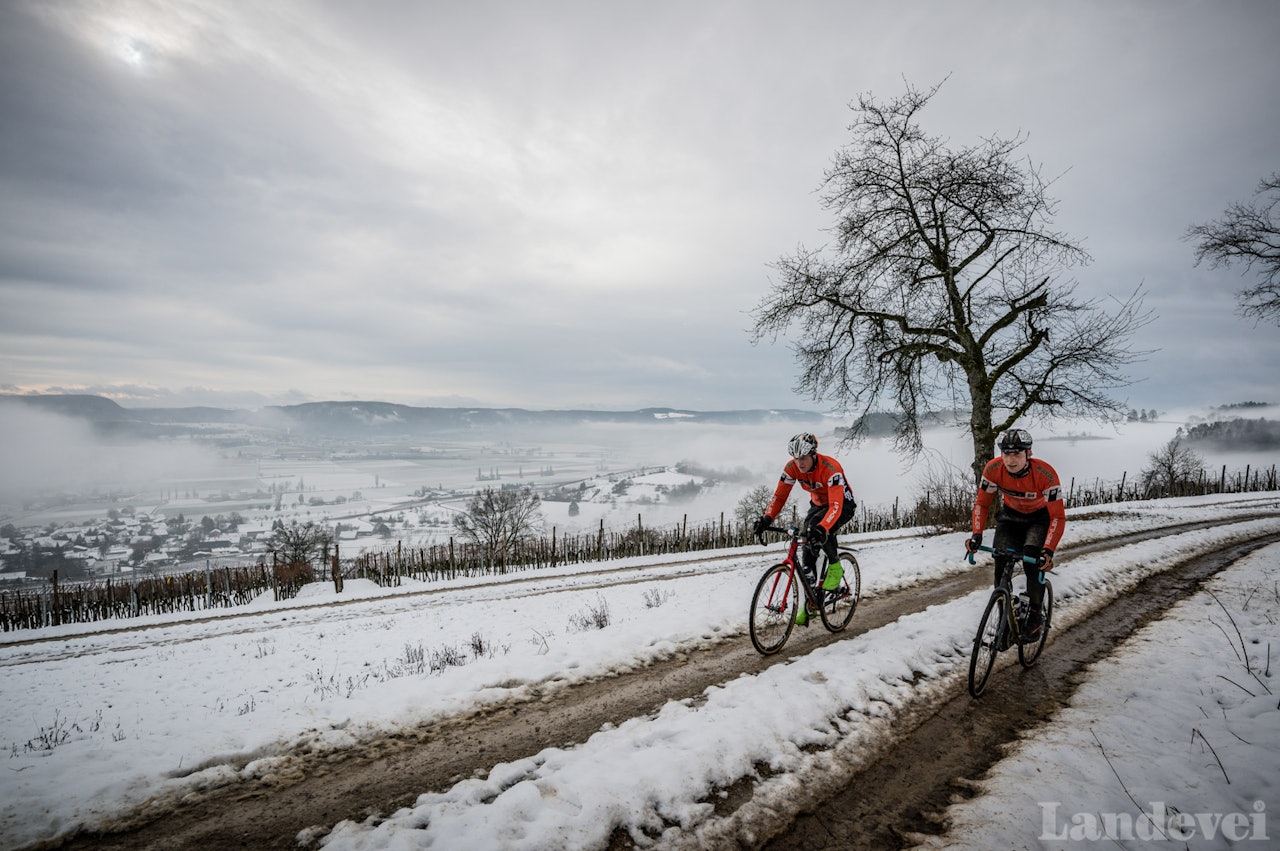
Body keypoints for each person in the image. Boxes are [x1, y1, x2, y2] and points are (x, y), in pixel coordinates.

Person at [965, 428, 1066, 640]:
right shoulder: (993, 469)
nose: (1011, 460)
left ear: (1028, 454)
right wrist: (976, 534)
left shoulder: (1045, 474)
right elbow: (981, 504)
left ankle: (1035, 616)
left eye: (1017, 454)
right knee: (1000, 563)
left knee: (1032, 561)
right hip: (1011, 518)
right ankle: (1005, 620)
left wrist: (1047, 551)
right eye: (1006, 454)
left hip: (1039, 520)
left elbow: (1057, 517)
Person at [752, 432, 857, 625]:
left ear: (813, 455)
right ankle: (812, 602)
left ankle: (835, 567)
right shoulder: (791, 468)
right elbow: (779, 496)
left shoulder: (831, 468)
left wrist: (823, 528)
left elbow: (835, 506)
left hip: (842, 505)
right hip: (818, 505)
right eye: (796, 458)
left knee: (821, 530)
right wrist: (767, 518)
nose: (799, 463)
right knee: (807, 548)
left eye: (803, 458)